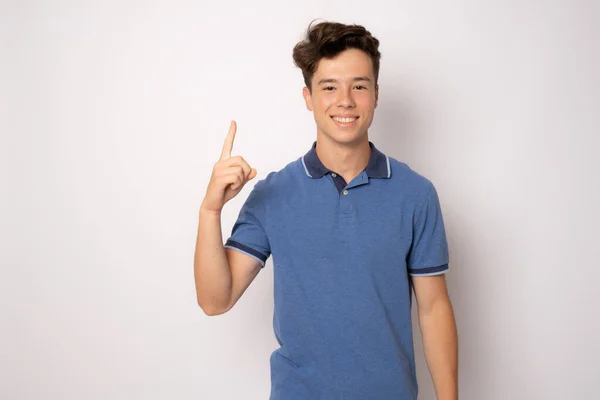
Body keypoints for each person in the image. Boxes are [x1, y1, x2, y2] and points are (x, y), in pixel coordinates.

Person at [195, 20, 458, 400]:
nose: (345, 100)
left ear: (376, 94)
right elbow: (215, 301)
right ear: (308, 97)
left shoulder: (416, 194)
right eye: (329, 87)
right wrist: (210, 210)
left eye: (359, 86)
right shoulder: (273, 193)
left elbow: (434, 309)